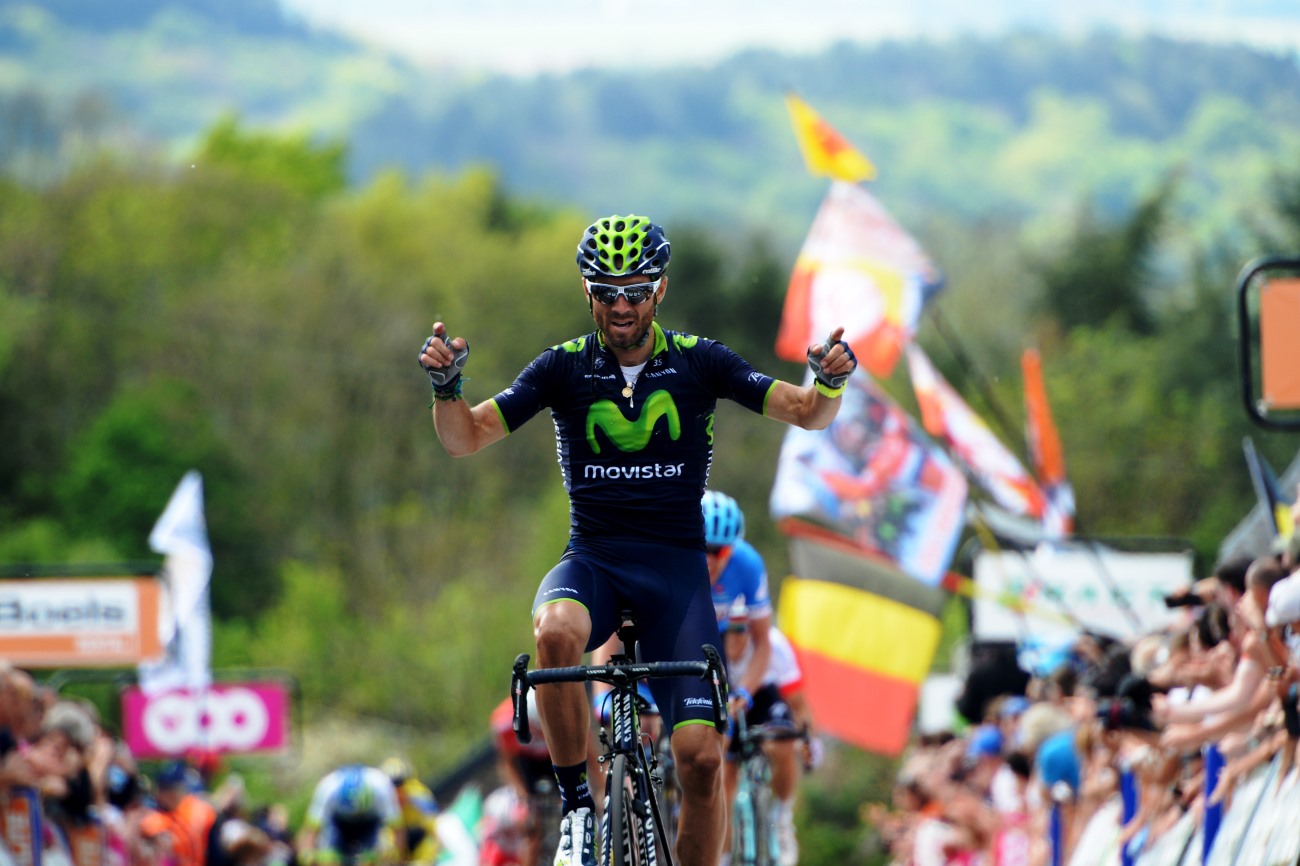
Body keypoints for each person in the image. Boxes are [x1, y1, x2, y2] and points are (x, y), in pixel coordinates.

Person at [419, 213, 857, 866]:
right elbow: (466, 438)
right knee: (554, 634)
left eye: (635, 289)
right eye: (605, 291)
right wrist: (448, 389)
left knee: (703, 762)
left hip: (676, 579)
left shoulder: (700, 361)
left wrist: (828, 381)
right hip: (594, 560)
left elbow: (804, 413)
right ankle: (578, 811)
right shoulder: (562, 367)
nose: (620, 304)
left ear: (660, 290)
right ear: (587, 295)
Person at [297, 764, 404, 866]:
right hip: (338, 821)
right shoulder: (327, 788)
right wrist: (307, 856)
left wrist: (397, 857)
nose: (355, 816)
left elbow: (398, 829)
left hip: (370, 821)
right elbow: (310, 830)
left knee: (373, 858)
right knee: (328, 858)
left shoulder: (382, 786)